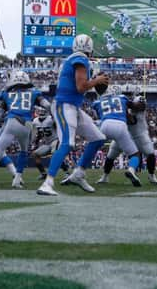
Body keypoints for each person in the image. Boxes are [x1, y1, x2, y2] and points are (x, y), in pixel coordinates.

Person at [37, 34, 110, 196]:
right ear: (90, 48)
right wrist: (97, 80)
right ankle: (47, 183)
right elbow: (81, 86)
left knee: (98, 139)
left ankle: (78, 174)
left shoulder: (72, 58)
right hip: (64, 105)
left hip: (73, 107)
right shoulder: (80, 59)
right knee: (67, 144)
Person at [0, 70, 51, 189]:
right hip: (27, 124)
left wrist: (5, 118)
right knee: (24, 152)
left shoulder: (6, 93)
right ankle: (17, 179)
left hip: (12, 121)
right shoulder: (34, 93)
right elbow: (47, 105)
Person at [98, 89, 157, 185]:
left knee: (150, 153)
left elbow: (141, 107)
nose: (127, 96)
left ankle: (151, 176)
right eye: (124, 94)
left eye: (128, 94)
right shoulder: (119, 105)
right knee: (111, 155)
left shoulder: (138, 99)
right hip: (124, 134)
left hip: (140, 134)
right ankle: (105, 177)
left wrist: (126, 106)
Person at [92, 85, 142, 186]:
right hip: (122, 131)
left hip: (105, 126)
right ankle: (131, 170)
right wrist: (138, 106)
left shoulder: (98, 102)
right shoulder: (123, 99)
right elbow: (133, 120)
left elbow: (98, 116)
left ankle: (102, 177)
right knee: (135, 154)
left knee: (109, 157)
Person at [31, 107, 69, 180]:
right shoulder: (35, 121)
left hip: (55, 140)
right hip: (47, 143)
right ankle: (43, 173)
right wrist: (35, 143)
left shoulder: (51, 119)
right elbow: (39, 133)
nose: (41, 113)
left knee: (55, 155)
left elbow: (59, 127)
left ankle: (67, 173)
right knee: (35, 154)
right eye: (40, 111)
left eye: (42, 111)